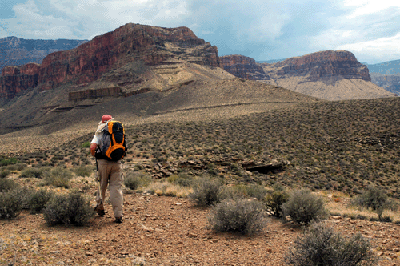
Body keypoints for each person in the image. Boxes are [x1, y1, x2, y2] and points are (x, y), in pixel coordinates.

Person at [90, 115, 124, 224]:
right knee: (116, 188)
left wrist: (94, 155)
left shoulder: (100, 131)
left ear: (102, 121)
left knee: (102, 186)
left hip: (103, 162)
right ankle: (118, 215)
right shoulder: (117, 130)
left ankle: (100, 207)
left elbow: (92, 147)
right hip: (117, 162)